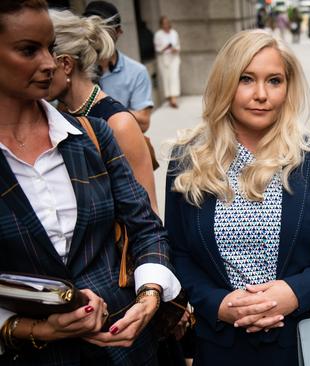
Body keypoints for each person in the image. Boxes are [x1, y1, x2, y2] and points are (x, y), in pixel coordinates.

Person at [165, 29, 310, 365]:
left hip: (308, 342)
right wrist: (218, 304)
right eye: (247, 79)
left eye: (274, 81)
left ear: (288, 88)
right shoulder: (188, 160)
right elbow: (180, 254)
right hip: (221, 348)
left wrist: (294, 293)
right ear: (225, 83)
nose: (262, 94)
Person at [0, 1, 181, 364]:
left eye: (51, 48)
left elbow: (146, 228)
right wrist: (39, 330)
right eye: (28, 50)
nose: (49, 63)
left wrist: (148, 297)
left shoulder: (93, 136)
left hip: (127, 346)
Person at [47, 9, 158, 213]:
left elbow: (149, 216)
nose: (37, 67)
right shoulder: (59, 113)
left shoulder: (119, 124)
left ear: (65, 64)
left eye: (41, 55)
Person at [83, 1, 153, 133]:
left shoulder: (137, 71)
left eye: (104, 28)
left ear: (118, 31)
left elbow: (143, 122)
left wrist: (104, 108)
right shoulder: (76, 68)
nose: (97, 34)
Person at [154, 16, 181, 109]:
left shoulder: (174, 33)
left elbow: (178, 46)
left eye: (167, 22)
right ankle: (169, 97)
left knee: (174, 77)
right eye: (164, 23)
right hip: (163, 58)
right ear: (161, 24)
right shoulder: (158, 34)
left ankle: (174, 99)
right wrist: (166, 48)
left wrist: (174, 49)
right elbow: (158, 49)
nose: (166, 25)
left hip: (174, 57)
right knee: (166, 77)